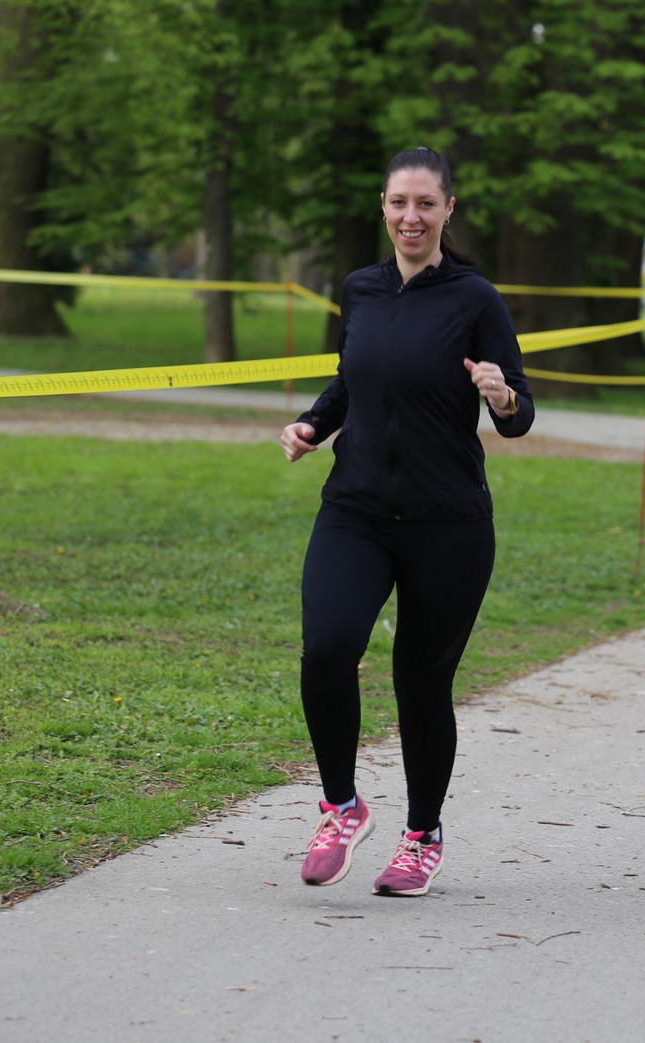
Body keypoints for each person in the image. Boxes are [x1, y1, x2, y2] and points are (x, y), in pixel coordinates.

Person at [280, 147, 534, 895]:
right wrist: (311, 424)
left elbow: (518, 412)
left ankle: (422, 835)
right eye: (399, 202)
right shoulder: (359, 290)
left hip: (447, 522)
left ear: (449, 209)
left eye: (426, 204)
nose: (411, 217)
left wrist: (502, 395)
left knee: (422, 682)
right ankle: (341, 804)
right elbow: (350, 380)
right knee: (327, 649)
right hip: (355, 508)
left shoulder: (475, 299)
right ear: (383, 206)